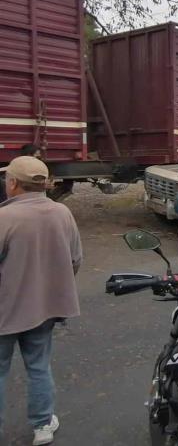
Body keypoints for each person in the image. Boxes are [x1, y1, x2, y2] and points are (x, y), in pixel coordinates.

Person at [0, 156, 82, 446]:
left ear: (12, 183)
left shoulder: (4, 218)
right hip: (45, 309)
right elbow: (75, 260)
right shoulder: (62, 213)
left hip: (4, 313)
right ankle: (43, 425)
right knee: (39, 366)